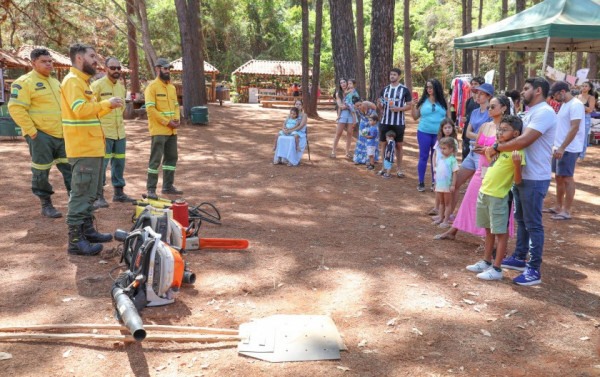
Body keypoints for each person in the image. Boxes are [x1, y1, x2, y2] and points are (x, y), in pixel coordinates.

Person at [487, 77, 556, 286]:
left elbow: (525, 140)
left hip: (535, 177)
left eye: (526, 89)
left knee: (534, 224)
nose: (522, 92)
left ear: (538, 91)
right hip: (521, 175)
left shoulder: (544, 112)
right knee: (521, 220)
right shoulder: (530, 112)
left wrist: (497, 147)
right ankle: (519, 256)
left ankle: (534, 269)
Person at [61, 43, 123, 256]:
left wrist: (109, 106)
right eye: (92, 56)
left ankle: (87, 231)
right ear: (79, 58)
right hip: (82, 148)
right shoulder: (72, 82)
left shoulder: (84, 83)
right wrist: (106, 104)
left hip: (93, 147)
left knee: (91, 194)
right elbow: (80, 110)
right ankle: (76, 241)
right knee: (81, 194)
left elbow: (92, 114)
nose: (96, 60)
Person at [434, 95, 512, 241]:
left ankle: (492, 240)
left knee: (492, 205)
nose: (489, 109)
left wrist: (488, 150)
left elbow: (505, 150)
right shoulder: (485, 126)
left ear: (503, 108)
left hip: (494, 171)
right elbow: (477, 146)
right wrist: (485, 150)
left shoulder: (505, 129)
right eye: (489, 106)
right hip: (480, 169)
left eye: (493, 106)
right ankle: (453, 230)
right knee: (469, 199)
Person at [8, 48, 71, 219]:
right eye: (44, 61)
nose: (49, 64)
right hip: (41, 135)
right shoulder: (24, 82)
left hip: (61, 134)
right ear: (33, 63)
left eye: (50, 61)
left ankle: (75, 202)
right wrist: (32, 132)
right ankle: (46, 204)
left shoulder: (55, 82)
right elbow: (15, 107)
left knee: (70, 168)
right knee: (41, 171)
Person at [467, 115, 525, 281]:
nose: (500, 132)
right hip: (485, 192)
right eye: (499, 129)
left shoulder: (517, 152)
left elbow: (518, 180)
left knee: (500, 232)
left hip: (499, 196)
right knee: (488, 229)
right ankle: (486, 261)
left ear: (515, 134)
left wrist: (516, 164)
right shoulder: (498, 148)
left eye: (504, 130)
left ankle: (497, 268)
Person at [90, 57, 135, 208]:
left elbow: (122, 107)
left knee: (119, 163)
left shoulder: (121, 87)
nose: (116, 71)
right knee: (102, 164)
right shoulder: (96, 86)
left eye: (118, 68)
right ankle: (98, 196)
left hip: (119, 132)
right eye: (113, 68)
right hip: (103, 132)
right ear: (105, 68)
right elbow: (91, 109)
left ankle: (119, 193)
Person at [544, 81, 586, 221]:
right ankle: (558, 206)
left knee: (567, 177)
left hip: (569, 147)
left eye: (556, 95)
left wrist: (563, 147)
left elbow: (574, 127)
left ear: (562, 91)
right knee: (558, 177)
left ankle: (566, 210)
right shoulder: (565, 105)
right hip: (559, 146)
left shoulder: (576, 105)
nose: (555, 98)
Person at [450, 82, 493, 215]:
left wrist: (478, 137)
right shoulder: (474, 112)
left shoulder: (491, 113)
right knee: (455, 183)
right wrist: (480, 136)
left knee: (484, 188)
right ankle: (449, 214)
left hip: (484, 155)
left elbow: (490, 135)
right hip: (472, 152)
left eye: (481, 94)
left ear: (488, 96)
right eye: (476, 93)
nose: (477, 96)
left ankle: (482, 221)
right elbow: (467, 133)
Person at [145, 58, 181, 200]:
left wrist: (177, 119)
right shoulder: (152, 87)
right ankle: (151, 189)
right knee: (155, 160)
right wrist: (167, 122)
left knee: (172, 158)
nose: (167, 71)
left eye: (169, 69)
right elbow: (150, 109)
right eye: (165, 69)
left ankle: (167, 185)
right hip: (159, 130)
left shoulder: (171, 87)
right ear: (157, 69)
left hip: (172, 130)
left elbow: (176, 105)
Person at [411, 78, 451, 192]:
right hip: (424, 132)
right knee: (423, 156)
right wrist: (413, 106)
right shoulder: (423, 101)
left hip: (439, 134)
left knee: (437, 157)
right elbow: (415, 117)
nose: (429, 89)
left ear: (436, 88)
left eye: (431, 87)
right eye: (427, 87)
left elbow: (449, 118)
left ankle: (435, 181)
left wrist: (449, 132)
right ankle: (421, 182)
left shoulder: (444, 101)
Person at [377, 68, 413, 177]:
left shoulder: (404, 90)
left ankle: (399, 169)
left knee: (399, 145)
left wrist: (399, 109)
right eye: (391, 74)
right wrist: (379, 104)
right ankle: (384, 167)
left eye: (394, 74)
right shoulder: (385, 89)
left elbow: (409, 105)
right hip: (385, 120)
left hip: (398, 122)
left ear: (399, 76)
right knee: (383, 144)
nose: (392, 76)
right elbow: (381, 106)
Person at [428, 118, 458, 217]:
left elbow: (454, 155)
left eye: (449, 127)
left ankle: (445, 212)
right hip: (439, 169)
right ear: (442, 129)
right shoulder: (439, 141)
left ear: (453, 129)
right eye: (445, 128)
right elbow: (434, 154)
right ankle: (437, 209)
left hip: (447, 170)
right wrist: (434, 167)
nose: (448, 130)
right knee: (438, 189)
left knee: (446, 191)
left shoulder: (454, 141)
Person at [432, 137, 459, 228]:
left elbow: (455, 173)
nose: (442, 151)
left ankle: (446, 220)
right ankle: (440, 218)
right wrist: (435, 183)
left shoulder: (452, 160)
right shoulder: (440, 159)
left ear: (451, 149)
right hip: (439, 185)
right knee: (441, 203)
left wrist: (453, 185)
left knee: (447, 204)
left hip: (447, 186)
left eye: (444, 148)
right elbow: (438, 173)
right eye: (441, 148)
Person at [273, 99, 308, 166]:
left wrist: (290, 131)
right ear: (294, 105)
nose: (298, 106)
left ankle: (291, 159)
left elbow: (300, 126)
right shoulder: (291, 114)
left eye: (300, 104)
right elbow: (285, 123)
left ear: (302, 106)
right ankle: (279, 157)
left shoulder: (304, 115)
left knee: (292, 139)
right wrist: (284, 129)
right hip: (289, 131)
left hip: (299, 132)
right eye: (296, 104)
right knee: (280, 137)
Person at [331, 78, 358, 159]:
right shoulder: (338, 93)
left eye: (344, 82)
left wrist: (350, 106)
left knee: (350, 133)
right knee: (338, 133)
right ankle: (333, 151)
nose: (343, 84)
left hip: (351, 113)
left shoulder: (352, 91)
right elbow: (340, 105)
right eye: (341, 83)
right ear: (339, 85)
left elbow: (356, 103)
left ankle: (347, 152)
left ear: (347, 83)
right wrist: (345, 106)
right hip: (343, 114)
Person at [461, 77, 485, 159]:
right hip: (467, 135)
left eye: (476, 84)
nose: (473, 86)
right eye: (472, 84)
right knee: (465, 157)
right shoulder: (469, 101)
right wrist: (465, 119)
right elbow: (467, 115)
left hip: (479, 138)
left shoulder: (484, 103)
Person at [353, 99, 379, 165]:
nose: (359, 107)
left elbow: (375, 121)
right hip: (362, 125)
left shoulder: (372, 111)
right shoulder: (357, 110)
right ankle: (359, 159)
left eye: (360, 105)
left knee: (370, 143)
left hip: (371, 125)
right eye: (357, 106)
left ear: (364, 105)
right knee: (361, 142)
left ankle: (370, 159)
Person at [576, 81, 596, 160]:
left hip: (585, 117)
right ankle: (575, 153)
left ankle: (581, 155)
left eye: (586, 86)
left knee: (583, 136)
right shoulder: (577, 96)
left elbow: (590, 110)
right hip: (576, 117)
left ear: (589, 88)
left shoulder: (591, 97)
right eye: (583, 86)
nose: (584, 87)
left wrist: (580, 106)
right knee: (574, 134)